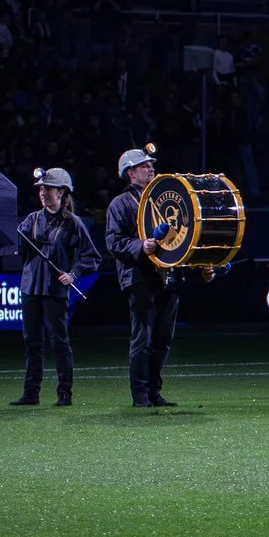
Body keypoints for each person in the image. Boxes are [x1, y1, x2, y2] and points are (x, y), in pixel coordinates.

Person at [11, 166, 96, 408]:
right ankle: (31, 393)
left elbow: (91, 256)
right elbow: (22, 253)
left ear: (62, 193)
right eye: (41, 189)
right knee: (32, 341)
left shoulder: (73, 224)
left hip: (55, 291)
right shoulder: (31, 220)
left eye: (48, 189)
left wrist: (73, 274)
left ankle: (64, 393)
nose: (43, 193)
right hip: (30, 288)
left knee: (59, 341)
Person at [105, 145, 182, 408]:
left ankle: (154, 390)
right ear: (130, 173)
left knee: (163, 339)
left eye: (150, 164)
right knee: (143, 338)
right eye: (143, 166)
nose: (150, 168)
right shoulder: (121, 203)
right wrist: (142, 245)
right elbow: (114, 242)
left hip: (167, 277)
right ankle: (140, 394)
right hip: (139, 277)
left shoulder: (162, 200)